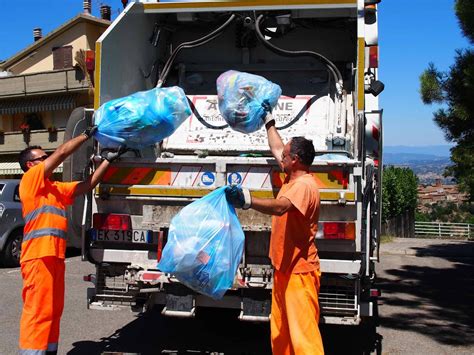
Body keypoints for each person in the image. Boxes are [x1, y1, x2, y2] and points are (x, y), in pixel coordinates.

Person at [18, 126, 125, 355]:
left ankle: (49, 351)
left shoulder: (54, 188)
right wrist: (87, 135)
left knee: (53, 310)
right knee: (38, 311)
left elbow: (87, 185)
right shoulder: (30, 180)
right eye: (42, 158)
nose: (47, 159)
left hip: (54, 257)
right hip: (37, 257)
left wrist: (107, 161)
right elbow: (62, 154)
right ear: (31, 165)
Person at [226, 109, 324, 355]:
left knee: (303, 336)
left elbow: (280, 208)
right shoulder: (292, 177)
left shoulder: (304, 186)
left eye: (287, 154)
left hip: (300, 272)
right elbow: (277, 146)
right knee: (281, 331)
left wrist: (247, 199)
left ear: (296, 160)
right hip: (284, 269)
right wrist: (269, 121)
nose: (283, 155)